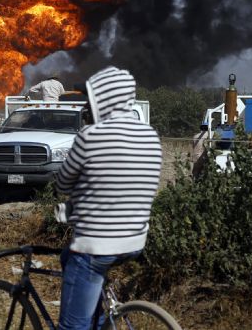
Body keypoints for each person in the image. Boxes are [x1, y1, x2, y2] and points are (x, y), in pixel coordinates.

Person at [55, 66, 163, 330]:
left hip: (96, 244)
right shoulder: (150, 135)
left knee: (71, 326)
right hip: (135, 240)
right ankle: (98, 318)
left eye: (90, 99)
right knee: (69, 258)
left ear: (102, 99)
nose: (87, 107)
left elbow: (63, 182)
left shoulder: (90, 136)